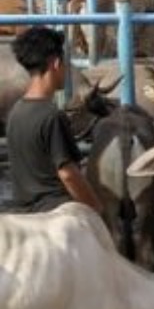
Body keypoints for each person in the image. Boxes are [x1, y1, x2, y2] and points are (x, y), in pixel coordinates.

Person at [5, 26, 102, 214]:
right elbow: (68, 174)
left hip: (25, 211)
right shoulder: (52, 116)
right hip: (55, 212)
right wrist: (95, 209)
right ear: (56, 64)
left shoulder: (15, 113)